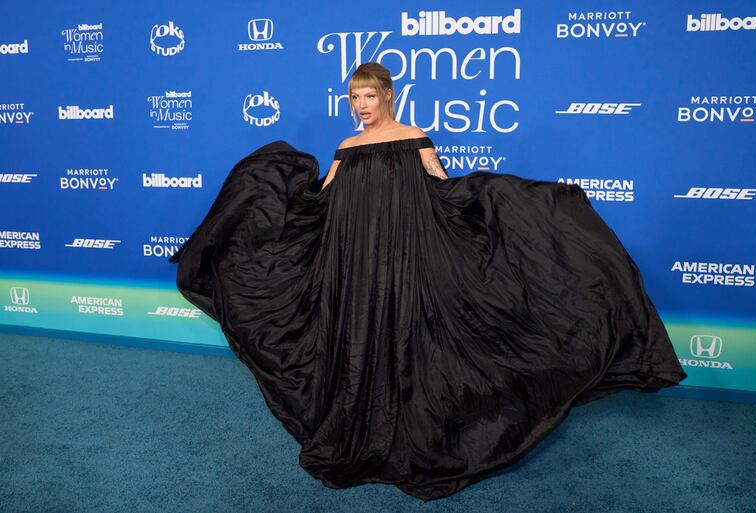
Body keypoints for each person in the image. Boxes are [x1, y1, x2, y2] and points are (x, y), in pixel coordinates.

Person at [168, 62, 687, 502]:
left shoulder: (414, 136)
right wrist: (272, 189)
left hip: (410, 259)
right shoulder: (347, 146)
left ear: (388, 95)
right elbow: (321, 201)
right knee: (360, 338)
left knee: (422, 338)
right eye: (354, 97)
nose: (361, 105)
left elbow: (443, 189)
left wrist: (495, 200)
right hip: (355, 267)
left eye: (369, 95)